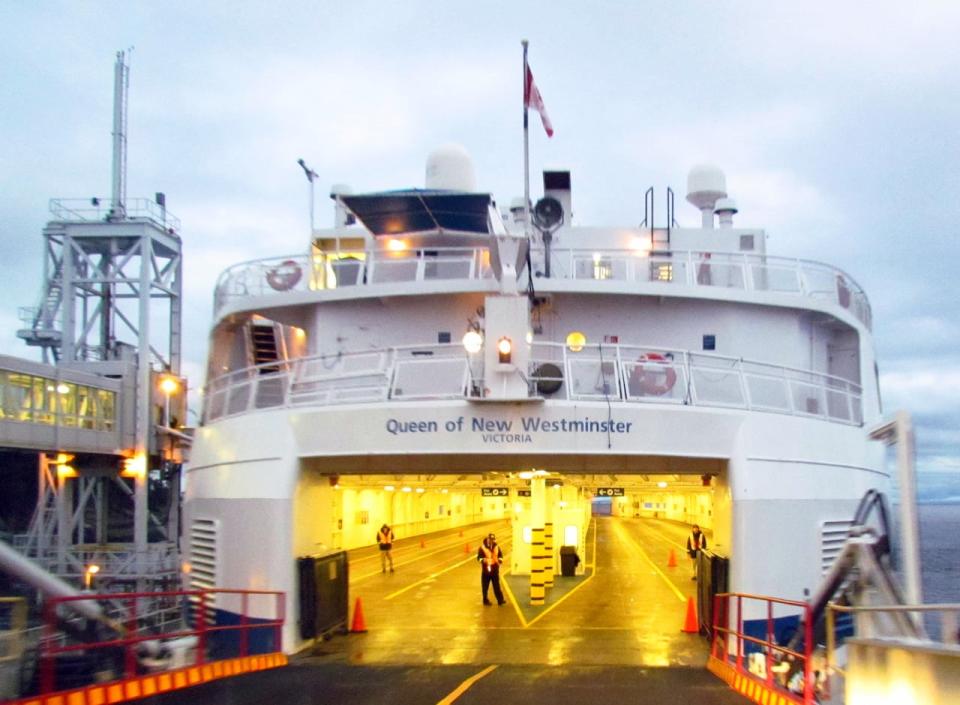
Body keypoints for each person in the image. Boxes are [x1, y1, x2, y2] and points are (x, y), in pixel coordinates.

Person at [477, 533, 505, 606]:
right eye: (491, 539)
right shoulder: (482, 548)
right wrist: (483, 560)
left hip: (495, 570)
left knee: (497, 586)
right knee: (485, 587)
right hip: (486, 571)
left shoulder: (496, 547)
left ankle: (500, 600)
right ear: (488, 539)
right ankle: (485, 600)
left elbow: (500, 555)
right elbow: (479, 558)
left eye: (493, 539)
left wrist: (500, 560)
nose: (492, 541)